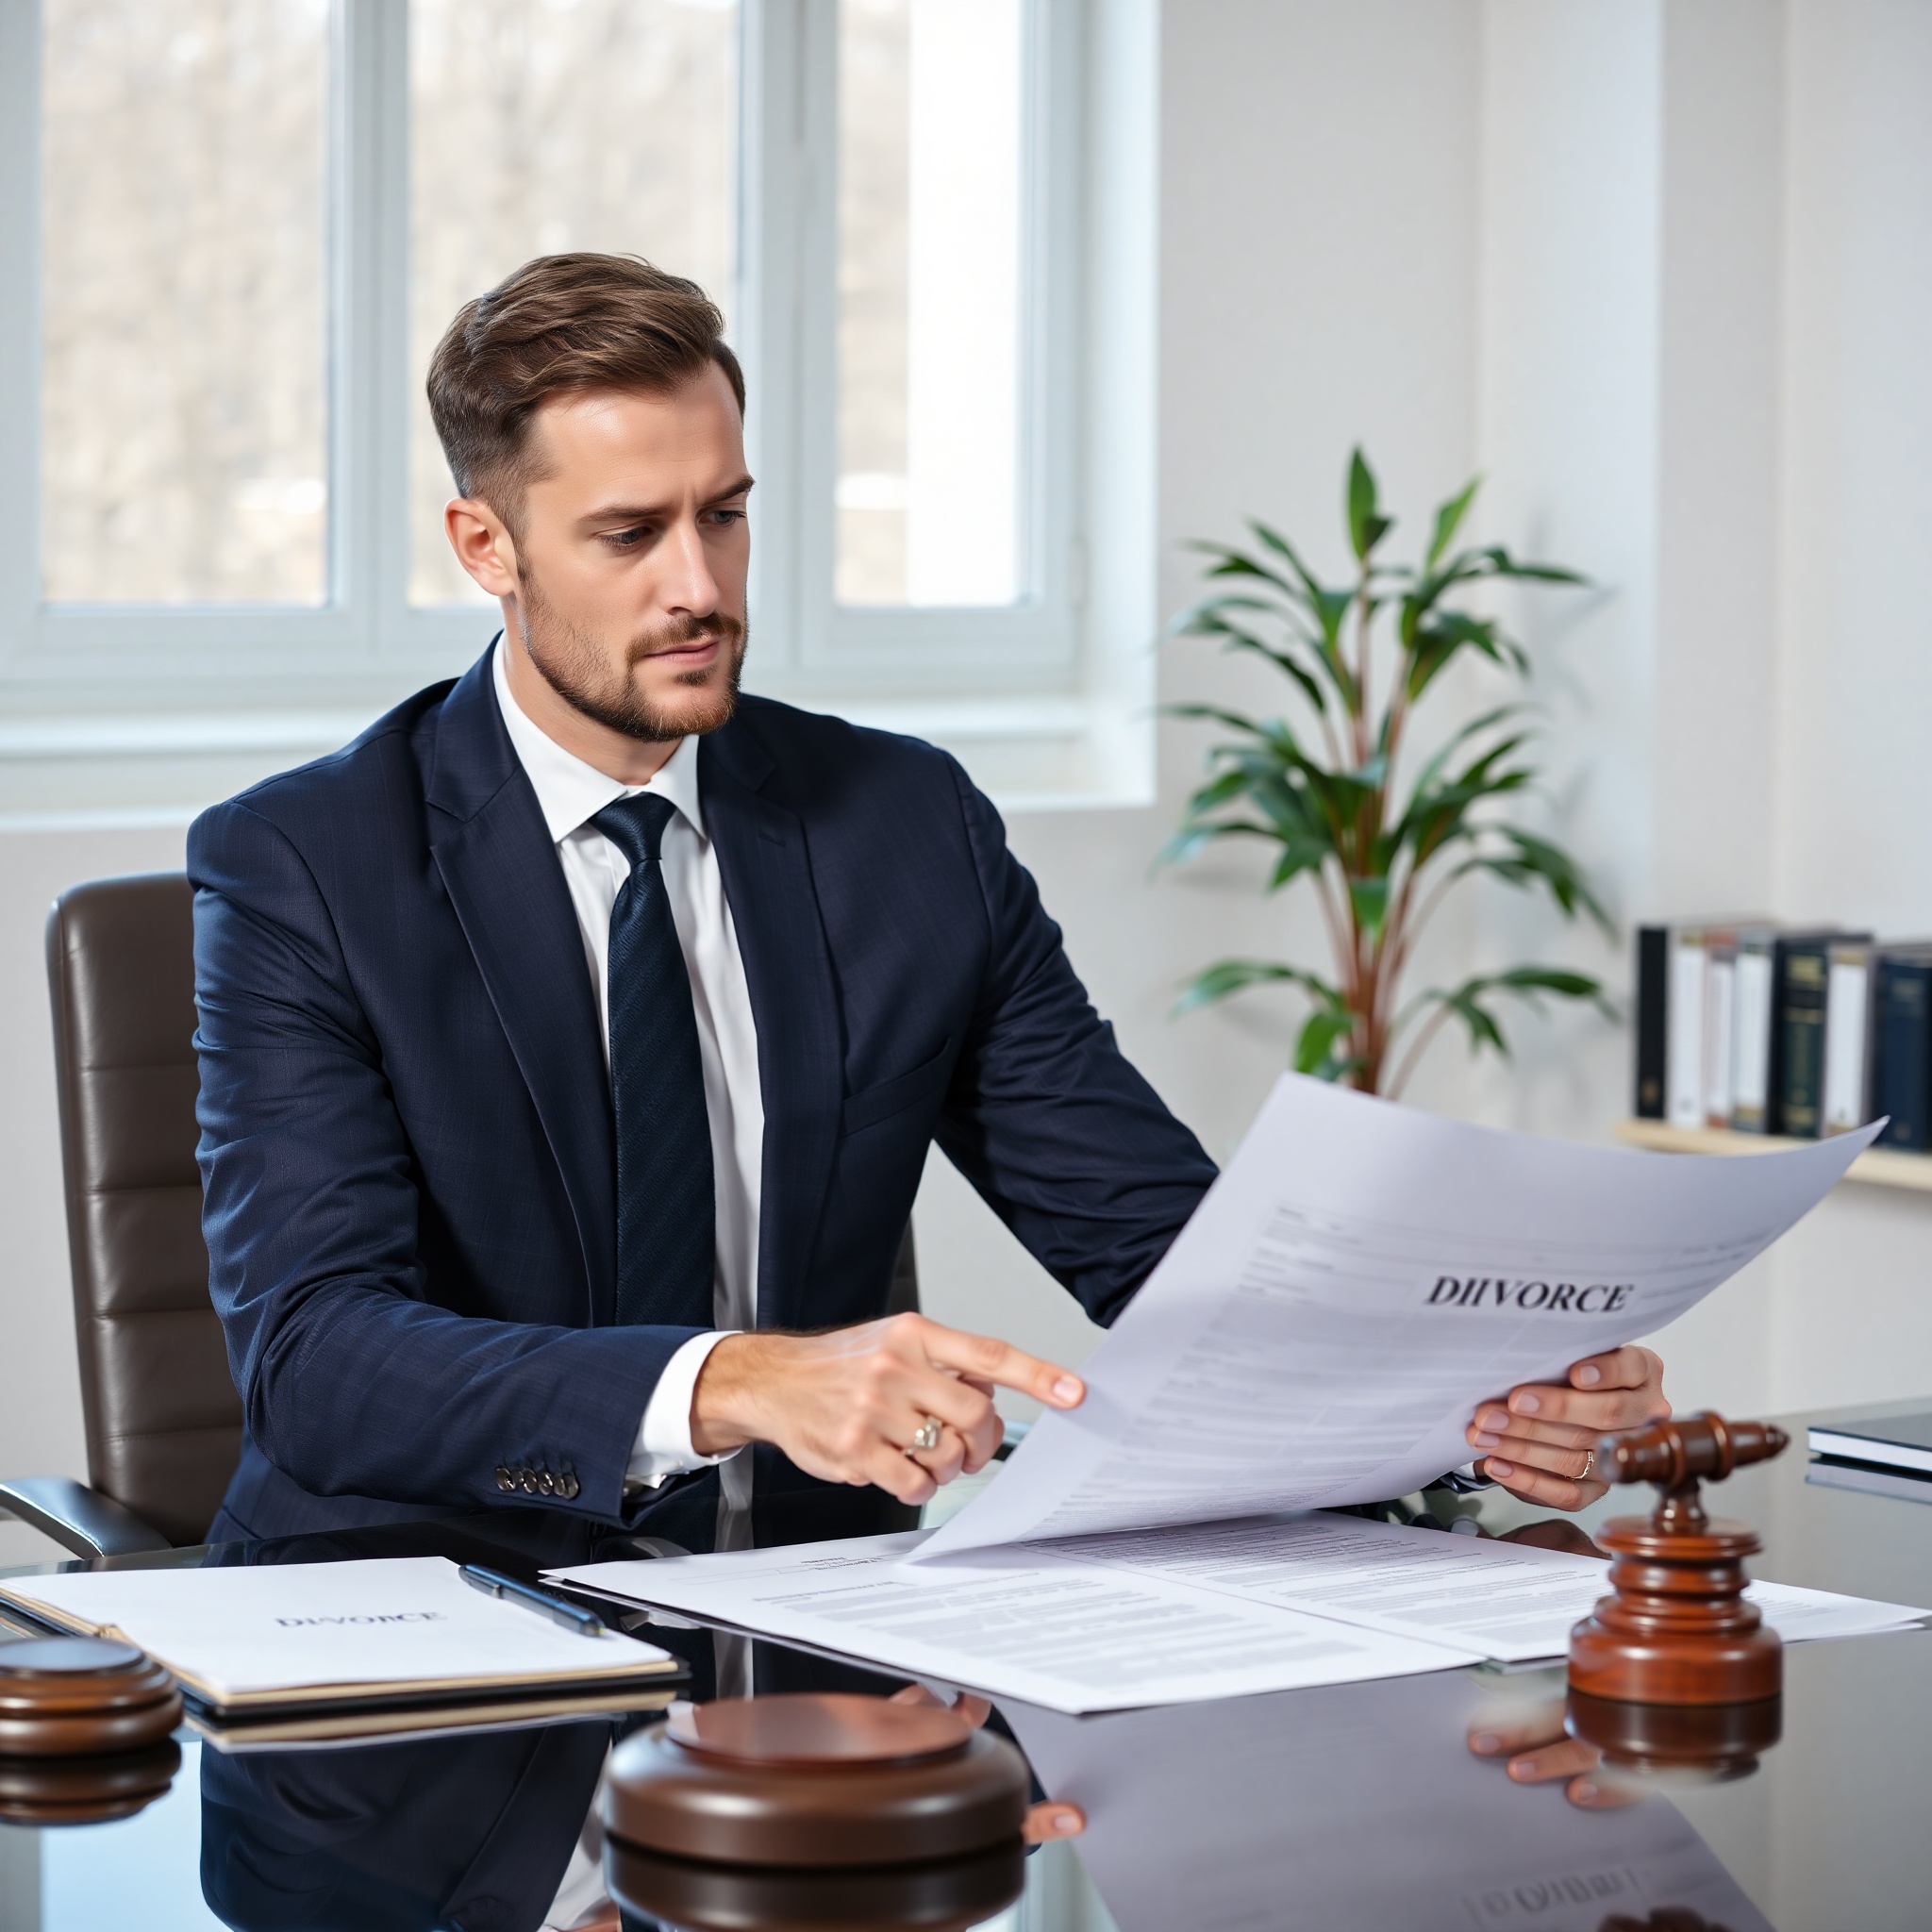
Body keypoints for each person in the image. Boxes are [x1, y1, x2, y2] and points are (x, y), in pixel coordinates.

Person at [191, 253, 1667, 1558]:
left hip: (818, 1632)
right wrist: (738, 1379)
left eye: (728, 514)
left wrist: (1472, 1394)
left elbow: (1158, 1243)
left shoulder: (901, 828)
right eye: (630, 536)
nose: (700, 586)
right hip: (426, 1647)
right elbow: (320, 1359)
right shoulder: (305, 868)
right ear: (485, 549)